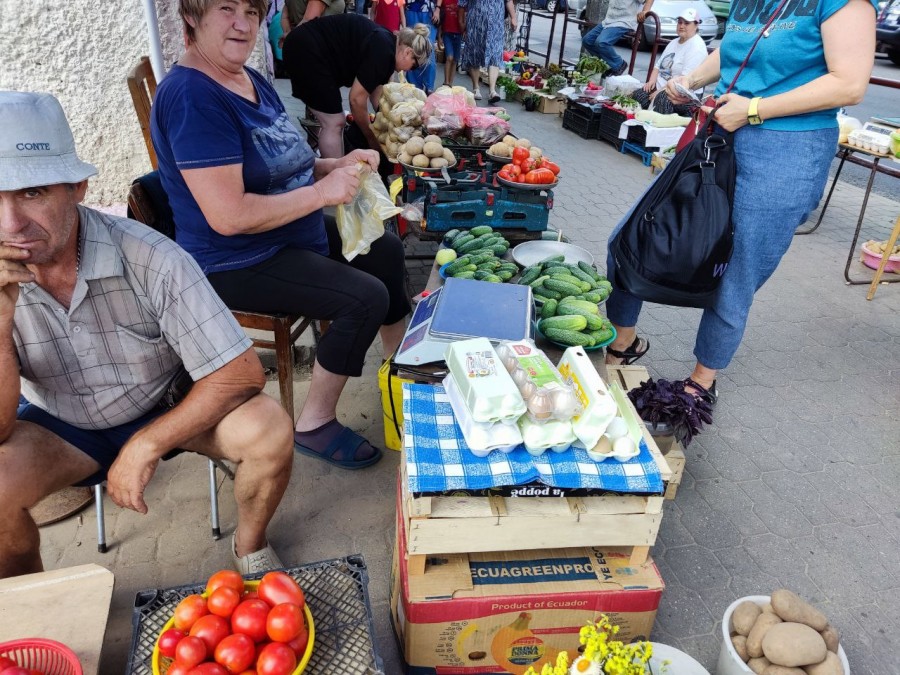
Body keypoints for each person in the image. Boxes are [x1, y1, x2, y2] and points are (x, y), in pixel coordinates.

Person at [0, 91, 295, 579]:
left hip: (166, 402)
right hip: (62, 425)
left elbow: (241, 374)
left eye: (33, 192)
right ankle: (33, 610)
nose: (11, 224)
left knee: (268, 429)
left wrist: (147, 442)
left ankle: (251, 550)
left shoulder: (150, 257)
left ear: (78, 187)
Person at [152, 0, 411, 470]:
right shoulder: (192, 96)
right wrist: (322, 195)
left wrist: (332, 166)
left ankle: (399, 373)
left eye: (251, 13)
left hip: (287, 233)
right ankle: (313, 423)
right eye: (225, 9)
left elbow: (285, 162)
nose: (242, 24)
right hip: (235, 259)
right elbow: (228, 216)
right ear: (191, 17)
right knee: (363, 297)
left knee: (387, 250)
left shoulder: (249, 79)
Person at [605, 0, 877, 419]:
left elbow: (849, 84)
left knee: (736, 274)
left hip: (785, 151)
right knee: (632, 236)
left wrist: (754, 109)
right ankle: (623, 342)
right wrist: (690, 79)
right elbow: (736, 45)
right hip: (720, 135)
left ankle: (700, 384)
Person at [282, 14, 432, 157]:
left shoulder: (388, 44)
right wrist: (371, 137)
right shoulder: (383, 51)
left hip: (306, 46)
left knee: (335, 121)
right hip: (306, 50)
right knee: (334, 123)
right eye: (414, 66)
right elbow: (356, 100)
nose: (409, 70)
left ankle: (337, 171)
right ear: (407, 52)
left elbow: (378, 92)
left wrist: (396, 120)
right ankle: (336, 176)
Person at [629, 8, 707, 115]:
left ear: (696, 25)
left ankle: (658, 129)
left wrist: (658, 92)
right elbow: (657, 66)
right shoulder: (673, 43)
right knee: (638, 95)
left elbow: (683, 82)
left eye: (687, 23)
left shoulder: (697, 47)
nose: (682, 26)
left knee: (661, 101)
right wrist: (651, 82)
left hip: (683, 94)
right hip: (663, 87)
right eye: (680, 22)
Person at [459, 0, 517, 105]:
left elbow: (508, 1)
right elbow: (462, 3)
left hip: (495, 25)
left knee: (495, 55)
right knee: (474, 54)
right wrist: (461, 22)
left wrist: (513, 17)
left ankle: (492, 91)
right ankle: (476, 88)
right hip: (475, 25)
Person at [581, 0, 654, 78]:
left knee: (602, 43)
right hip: (609, 20)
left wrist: (645, 11)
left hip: (624, 21)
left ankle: (618, 64)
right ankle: (607, 64)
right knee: (587, 41)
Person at [277, 0, 346, 51]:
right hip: (320, 46)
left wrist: (288, 35)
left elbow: (284, 18)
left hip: (302, 44)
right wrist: (290, 38)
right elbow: (309, 20)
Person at [404, 0, 438, 93]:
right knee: (413, 45)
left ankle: (429, 86)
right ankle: (413, 86)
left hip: (429, 10)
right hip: (411, 7)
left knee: (429, 48)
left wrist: (438, 9)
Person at [436, 0, 462, 86]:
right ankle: (446, 81)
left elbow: (465, 17)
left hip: (458, 33)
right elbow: (441, 17)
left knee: (455, 60)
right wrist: (439, 36)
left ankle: (450, 83)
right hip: (447, 33)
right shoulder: (444, 2)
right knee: (449, 58)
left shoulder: (461, 2)